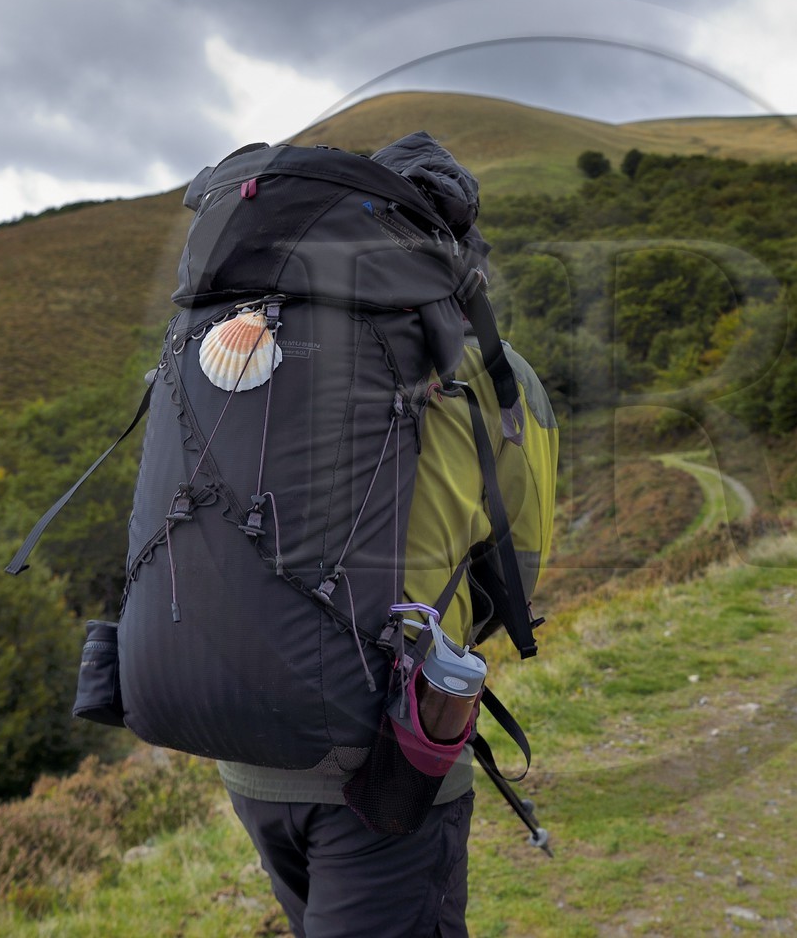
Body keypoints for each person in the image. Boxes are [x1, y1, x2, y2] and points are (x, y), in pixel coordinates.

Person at [219, 313, 559, 936]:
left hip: (245, 735)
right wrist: (444, 631)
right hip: (397, 742)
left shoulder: (233, 345)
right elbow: (520, 565)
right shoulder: (490, 369)